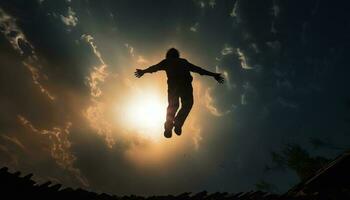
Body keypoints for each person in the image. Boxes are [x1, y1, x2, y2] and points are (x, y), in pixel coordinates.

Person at [134, 48, 224, 138]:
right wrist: (213, 75)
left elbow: (154, 68)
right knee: (187, 104)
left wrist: (143, 71)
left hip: (174, 87)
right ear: (177, 55)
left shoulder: (167, 62)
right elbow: (199, 70)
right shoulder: (182, 62)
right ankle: (177, 124)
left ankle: (169, 126)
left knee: (173, 105)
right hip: (185, 86)